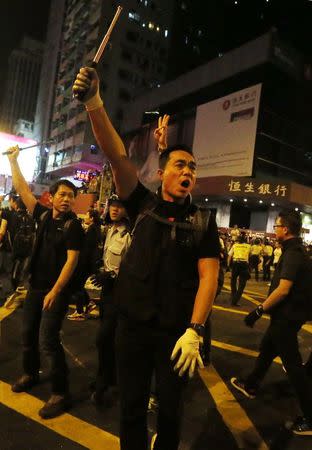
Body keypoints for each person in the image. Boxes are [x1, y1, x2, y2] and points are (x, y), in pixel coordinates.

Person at [73, 67, 220, 450]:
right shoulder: (141, 204)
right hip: (132, 329)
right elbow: (116, 155)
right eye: (180, 165)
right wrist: (94, 103)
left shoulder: (204, 221)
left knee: (170, 413)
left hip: (177, 335)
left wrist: (195, 330)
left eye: (192, 167)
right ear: (163, 173)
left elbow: (209, 278)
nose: (188, 171)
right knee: (132, 409)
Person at [6, 146, 84, 419]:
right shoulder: (41, 214)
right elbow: (22, 188)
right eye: (62, 195)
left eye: (71, 196)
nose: (66, 200)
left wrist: (56, 290)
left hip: (56, 291)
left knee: (48, 341)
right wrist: (14, 161)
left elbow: (72, 261)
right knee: (28, 335)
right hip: (36, 286)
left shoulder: (73, 226)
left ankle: (60, 392)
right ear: (51, 197)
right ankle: (30, 373)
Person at [231, 210, 312, 436]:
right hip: (285, 318)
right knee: (267, 349)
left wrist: (258, 310)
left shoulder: (293, 253)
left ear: (285, 229)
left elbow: (283, 289)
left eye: (276, 226)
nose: (274, 229)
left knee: (295, 368)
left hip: (287, 319)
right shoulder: (293, 251)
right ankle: (251, 385)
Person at [90, 194, 131, 405]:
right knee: (108, 339)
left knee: (104, 338)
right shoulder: (110, 231)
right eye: (112, 205)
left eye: (119, 206)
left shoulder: (130, 233)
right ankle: (107, 376)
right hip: (107, 292)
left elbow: (135, 267)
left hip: (121, 293)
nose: (114, 209)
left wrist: (113, 275)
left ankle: (104, 380)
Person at [67, 208, 102, 321]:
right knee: (79, 286)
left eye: (87, 215)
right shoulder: (96, 228)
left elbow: (87, 249)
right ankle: (89, 304)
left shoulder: (92, 230)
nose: (85, 217)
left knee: (77, 286)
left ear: (91, 218)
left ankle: (80, 312)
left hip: (84, 264)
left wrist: (79, 263)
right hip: (89, 264)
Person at [228, 235, 251, 305]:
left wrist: (228, 265)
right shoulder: (248, 246)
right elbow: (250, 255)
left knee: (233, 281)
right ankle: (235, 300)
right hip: (244, 264)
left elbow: (229, 256)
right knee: (242, 284)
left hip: (236, 264)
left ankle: (233, 296)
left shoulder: (235, 245)